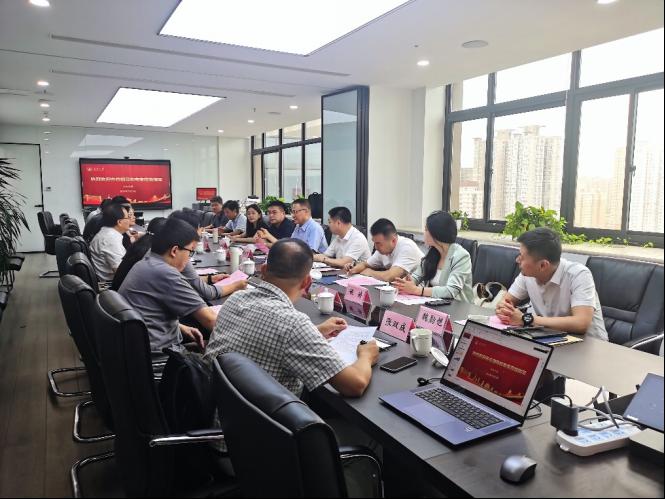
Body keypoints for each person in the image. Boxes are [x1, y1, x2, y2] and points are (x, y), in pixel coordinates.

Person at [204, 238, 379, 398]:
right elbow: (355, 384)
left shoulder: (236, 299)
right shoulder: (293, 324)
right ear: (307, 282)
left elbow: (265, 335)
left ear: (263, 270)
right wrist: (366, 356)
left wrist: (314, 332)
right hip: (265, 419)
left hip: (215, 404)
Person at [118, 218, 221, 357]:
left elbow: (147, 312)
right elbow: (210, 320)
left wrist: (180, 327)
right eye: (190, 251)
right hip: (159, 358)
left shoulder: (146, 262)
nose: (189, 257)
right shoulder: (166, 274)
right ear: (174, 250)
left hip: (139, 348)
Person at [496, 227, 609, 340]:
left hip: (591, 344)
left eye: (522, 257)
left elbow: (581, 323)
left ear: (543, 265)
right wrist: (503, 309)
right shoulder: (527, 274)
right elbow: (506, 301)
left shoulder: (578, 275)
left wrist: (526, 319)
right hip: (553, 339)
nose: (517, 260)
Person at [111, 217, 245, 302]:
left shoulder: (147, 254)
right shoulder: (165, 268)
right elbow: (207, 305)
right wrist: (236, 285)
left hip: (123, 308)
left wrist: (209, 278)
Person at [393, 211, 474, 302]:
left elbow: (451, 291)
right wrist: (405, 283)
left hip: (458, 307)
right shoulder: (433, 253)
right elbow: (416, 277)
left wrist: (416, 290)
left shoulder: (461, 256)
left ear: (437, 233)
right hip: (436, 305)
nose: (424, 233)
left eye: (426, 230)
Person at [346, 218, 423, 282]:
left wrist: (371, 272)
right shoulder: (381, 250)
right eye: (374, 243)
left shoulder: (407, 247)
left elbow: (390, 276)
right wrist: (353, 269)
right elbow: (365, 264)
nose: (376, 247)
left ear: (393, 240)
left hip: (420, 289)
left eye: (378, 243)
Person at [260, 199, 327, 252]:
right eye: (292, 212)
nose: (293, 215)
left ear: (306, 211)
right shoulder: (298, 226)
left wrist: (267, 240)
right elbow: (290, 245)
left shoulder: (314, 228)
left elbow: (310, 253)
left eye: (295, 212)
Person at [89, 203, 131, 282]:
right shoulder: (111, 239)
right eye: (128, 217)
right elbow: (122, 272)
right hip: (109, 284)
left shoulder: (107, 232)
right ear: (119, 222)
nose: (129, 220)